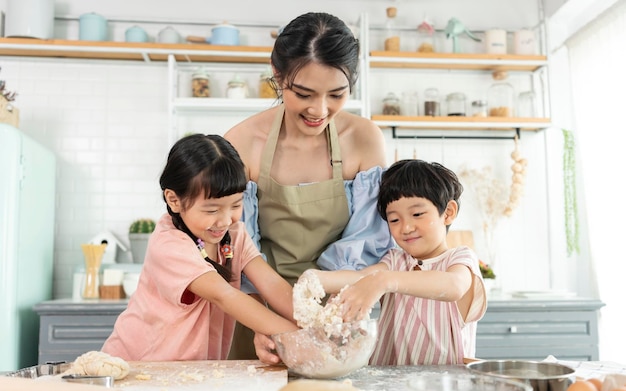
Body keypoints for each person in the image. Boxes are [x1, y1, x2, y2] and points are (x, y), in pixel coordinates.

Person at [224, 12, 394, 362]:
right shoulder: (242, 142)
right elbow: (237, 248)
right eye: (303, 94)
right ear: (277, 73)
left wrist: (325, 313)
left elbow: (370, 241)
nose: (319, 110)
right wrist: (265, 322)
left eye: (336, 95)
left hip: (338, 314)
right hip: (259, 311)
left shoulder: (364, 139)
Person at [102, 134, 299, 361]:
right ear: (174, 200)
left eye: (236, 205)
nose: (225, 220)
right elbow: (224, 296)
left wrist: (317, 326)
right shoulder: (169, 244)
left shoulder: (234, 236)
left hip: (190, 373)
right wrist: (296, 337)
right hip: (140, 365)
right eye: (212, 210)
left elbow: (272, 284)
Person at [298, 159, 487, 365]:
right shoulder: (395, 260)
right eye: (394, 220)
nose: (405, 228)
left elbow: (454, 286)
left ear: (448, 213)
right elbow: (360, 278)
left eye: (417, 214)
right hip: (388, 384)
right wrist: (315, 279)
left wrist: (384, 281)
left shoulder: (459, 259)